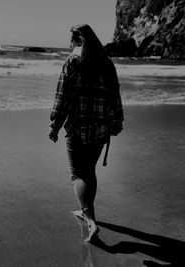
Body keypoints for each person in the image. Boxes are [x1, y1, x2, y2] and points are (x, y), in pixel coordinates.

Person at [49, 24, 124, 242]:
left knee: (77, 174)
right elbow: (114, 94)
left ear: (77, 40)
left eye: (71, 41)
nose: (69, 45)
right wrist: (117, 121)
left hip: (77, 127)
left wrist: (55, 125)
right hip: (101, 129)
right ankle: (86, 211)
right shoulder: (107, 63)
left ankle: (91, 221)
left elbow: (62, 97)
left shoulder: (72, 61)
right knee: (89, 171)